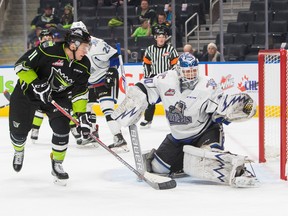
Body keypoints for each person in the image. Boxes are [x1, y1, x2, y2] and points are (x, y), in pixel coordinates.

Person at [111, 52, 259, 188]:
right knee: (157, 168)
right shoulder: (165, 79)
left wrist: (231, 108)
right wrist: (135, 99)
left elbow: (219, 108)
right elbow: (145, 87)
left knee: (207, 162)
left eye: (194, 71)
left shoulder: (208, 85)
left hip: (206, 133)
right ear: (179, 70)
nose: (191, 75)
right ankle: (186, 162)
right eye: (187, 71)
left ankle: (238, 170)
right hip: (178, 137)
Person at [10, 27, 92, 185]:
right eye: (84, 48)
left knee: (62, 129)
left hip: (57, 98)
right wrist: (36, 83)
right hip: (27, 93)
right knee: (18, 134)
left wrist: (82, 116)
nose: (86, 52)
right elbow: (21, 66)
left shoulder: (84, 64)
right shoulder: (48, 50)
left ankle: (57, 164)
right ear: (73, 45)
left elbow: (80, 92)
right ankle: (19, 150)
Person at [69, 21, 128, 151]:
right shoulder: (72, 49)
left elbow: (114, 56)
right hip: (89, 81)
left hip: (104, 78)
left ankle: (119, 137)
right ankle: (92, 133)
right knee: (86, 107)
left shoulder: (97, 44)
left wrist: (112, 70)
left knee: (107, 109)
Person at [140, 25, 178, 128]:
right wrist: (148, 76)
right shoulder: (150, 49)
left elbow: (175, 64)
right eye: (159, 36)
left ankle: (173, 119)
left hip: (167, 80)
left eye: (163, 36)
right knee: (151, 100)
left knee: (170, 100)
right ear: (155, 38)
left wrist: (171, 75)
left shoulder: (171, 49)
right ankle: (148, 120)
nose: (161, 38)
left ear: (166, 38)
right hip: (154, 79)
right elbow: (146, 64)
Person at [29, 29, 55, 143]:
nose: (47, 40)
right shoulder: (36, 51)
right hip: (41, 84)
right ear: (40, 40)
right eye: (45, 38)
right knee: (39, 109)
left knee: (62, 108)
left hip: (55, 84)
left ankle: (74, 131)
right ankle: (35, 130)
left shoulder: (57, 50)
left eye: (49, 38)